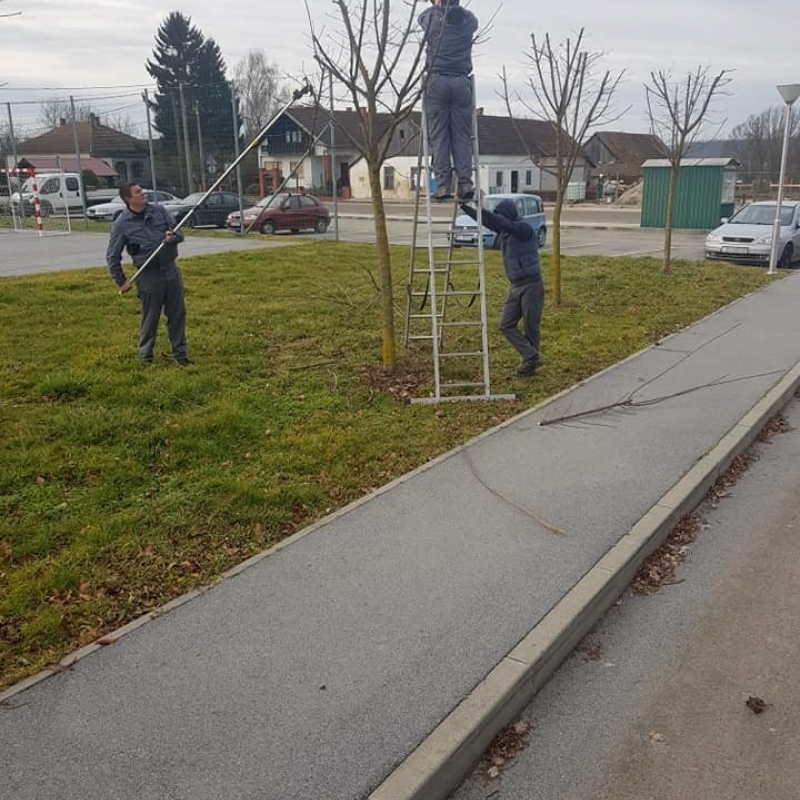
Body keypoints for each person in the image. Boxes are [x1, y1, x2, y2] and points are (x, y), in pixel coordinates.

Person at [107, 183, 189, 366]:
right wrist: (121, 280)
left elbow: (180, 234)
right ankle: (146, 357)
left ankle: (181, 355)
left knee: (177, 314)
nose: (143, 193)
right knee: (151, 317)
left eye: (142, 190)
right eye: (138, 192)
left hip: (170, 270)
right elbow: (112, 256)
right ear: (129, 199)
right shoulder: (122, 224)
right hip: (148, 277)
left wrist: (173, 237)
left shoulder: (159, 211)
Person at [459, 198, 544, 376]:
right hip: (515, 285)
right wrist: (465, 207)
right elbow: (488, 221)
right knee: (506, 324)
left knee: (531, 326)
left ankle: (530, 364)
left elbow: (500, 222)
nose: (498, 219)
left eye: (501, 216)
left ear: (509, 214)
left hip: (531, 285)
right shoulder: (505, 230)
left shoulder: (523, 228)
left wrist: (485, 211)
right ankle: (531, 355)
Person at [419, 0, 479, 202]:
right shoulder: (467, 20)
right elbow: (473, 22)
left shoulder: (433, 19)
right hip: (462, 82)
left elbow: (422, 18)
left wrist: (439, 8)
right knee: (462, 137)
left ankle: (443, 185)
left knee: (439, 137)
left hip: (437, 81)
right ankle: (465, 183)